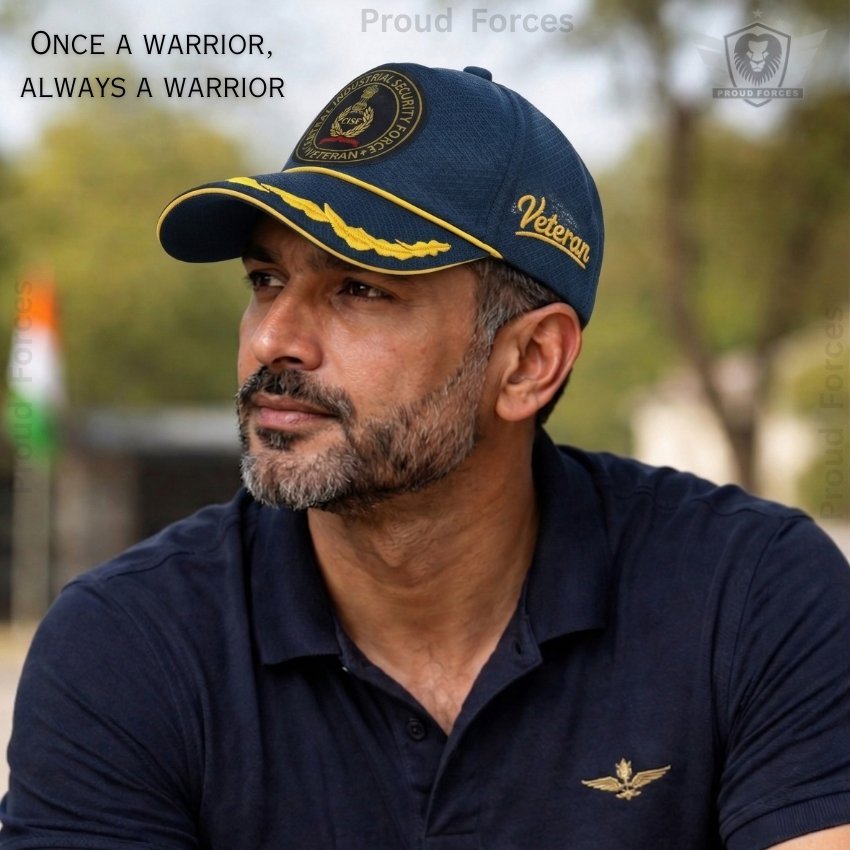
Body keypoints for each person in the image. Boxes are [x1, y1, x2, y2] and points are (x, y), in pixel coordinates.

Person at [1, 62, 848, 850]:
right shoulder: (129, 646)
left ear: (529, 362)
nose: (272, 338)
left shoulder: (750, 596)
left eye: (359, 288)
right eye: (265, 280)